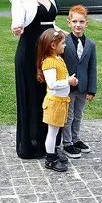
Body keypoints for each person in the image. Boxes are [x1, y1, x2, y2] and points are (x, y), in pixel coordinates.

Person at [10, 0, 59, 159]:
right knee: (31, 97)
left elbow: (52, 24)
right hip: (29, 53)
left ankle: (46, 144)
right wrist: (16, 26)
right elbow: (17, 20)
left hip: (47, 53)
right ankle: (30, 145)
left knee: (47, 97)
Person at [37, 28, 79, 171]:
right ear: (53, 46)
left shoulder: (58, 59)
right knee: (52, 131)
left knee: (55, 131)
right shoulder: (49, 62)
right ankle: (50, 159)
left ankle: (53, 153)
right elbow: (53, 84)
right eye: (62, 43)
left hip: (61, 102)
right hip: (54, 102)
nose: (65, 45)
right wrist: (69, 81)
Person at [61, 5, 98, 158]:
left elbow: (92, 68)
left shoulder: (91, 44)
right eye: (74, 21)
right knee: (68, 116)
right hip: (68, 87)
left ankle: (76, 139)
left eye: (81, 21)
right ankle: (67, 143)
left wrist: (92, 89)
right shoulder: (63, 42)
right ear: (68, 23)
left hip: (82, 88)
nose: (78, 25)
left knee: (78, 115)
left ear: (86, 23)